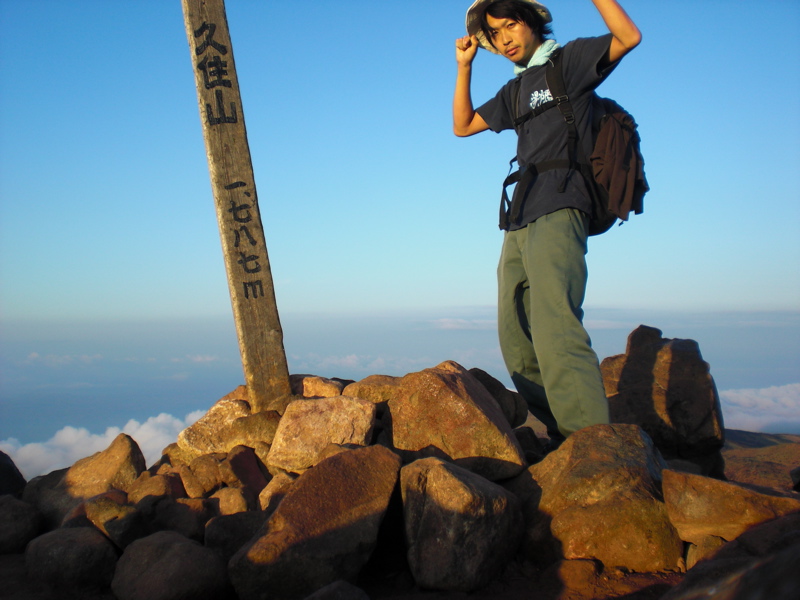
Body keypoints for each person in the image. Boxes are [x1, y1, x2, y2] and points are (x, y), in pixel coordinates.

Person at [453, 0, 641, 446]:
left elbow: (628, 37)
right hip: (519, 215)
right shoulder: (515, 90)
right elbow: (463, 125)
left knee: (557, 324)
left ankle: (592, 445)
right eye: (495, 34)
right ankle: (564, 436)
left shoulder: (568, 63)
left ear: (533, 21)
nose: (504, 39)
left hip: (561, 204)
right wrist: (465, 67)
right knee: (514, 335)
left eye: (510, 25)